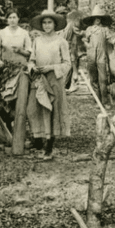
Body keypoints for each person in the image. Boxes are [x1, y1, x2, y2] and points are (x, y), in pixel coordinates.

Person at [26, 9, 71, 160]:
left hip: (54, 79)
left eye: (49, 22)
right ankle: (38, 139)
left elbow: (67, 64)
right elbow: (32, 59)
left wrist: (51, 68)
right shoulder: (37, 40)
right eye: (44, 23)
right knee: (33, 109)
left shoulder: (61, 41)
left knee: (52, 110)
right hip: (39, 78)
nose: (46, 25)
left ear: (55, 24)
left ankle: (49, 146)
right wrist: (33, 67)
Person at [82, 5, 114, 105]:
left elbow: (111, 40)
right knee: (93, 79)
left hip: (102, 56)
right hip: (91, 56)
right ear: (92, 19)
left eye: (99, 18)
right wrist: (88, 45)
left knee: (103, 79)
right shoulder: (89, 29)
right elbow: (85, 40)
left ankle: (105, 101)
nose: (97, 20)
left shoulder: (105, 29)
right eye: (95, 18)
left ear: (101, 19)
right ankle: (97, 101)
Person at [61, 9, 84, 92]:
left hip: (69, 46)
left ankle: (68, 85)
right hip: (70, 47)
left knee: (71, 64)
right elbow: (79, 32)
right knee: (72, 64)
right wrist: (86, 32)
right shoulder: (71, 25)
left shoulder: (66, 26)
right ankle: (71, 84)